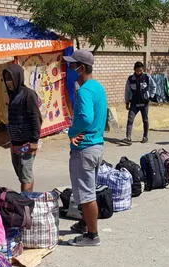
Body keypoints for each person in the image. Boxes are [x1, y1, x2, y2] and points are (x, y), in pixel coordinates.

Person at [63, 50, 108, 246]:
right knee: (87, 189)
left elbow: (85, 118)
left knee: (86, 193)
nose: (70, 69)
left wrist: (72, 132)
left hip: (85, 148)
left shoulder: (84, 91)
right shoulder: (98, 88)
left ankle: (92, 235)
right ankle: (84, 223)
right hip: (97, 145)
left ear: (81, 68)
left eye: (73, 66)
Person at [2, 63, 42, 192]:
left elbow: (36, 118)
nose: (8, 82)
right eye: (6, 78)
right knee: (23, 175)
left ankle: (25, 205)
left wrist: (34, 141)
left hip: (27, 144)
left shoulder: (28, 95)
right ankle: (29, 200)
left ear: (17, 77)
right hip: (15, 144)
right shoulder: (13, 95)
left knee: (25, 176)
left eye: (10, 78)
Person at [122, 62, 156, 144]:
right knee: (130, 120)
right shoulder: (130, 79)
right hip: (134, 103)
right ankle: (128, 138)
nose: (139, 72)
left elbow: (153, 86)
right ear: (134, 70)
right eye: (137, 70)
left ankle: (145, 136)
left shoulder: (147, 77)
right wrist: (127, 102)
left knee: (145, 120)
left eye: (140, 70)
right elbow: (127, 91)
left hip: (144, 103)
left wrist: (150, 96)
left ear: (143, 70)